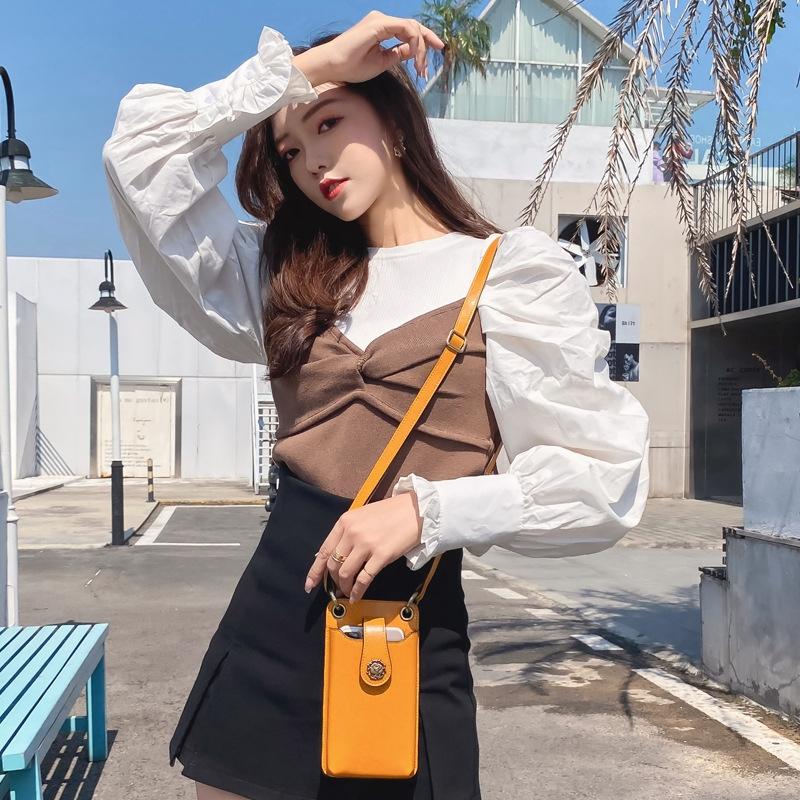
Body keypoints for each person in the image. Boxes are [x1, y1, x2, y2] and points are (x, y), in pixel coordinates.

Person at [101, 10, 651, 800]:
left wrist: (428, 513)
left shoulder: (511, 274)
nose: (313, 162)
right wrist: (312, 68)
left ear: (393, 119)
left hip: (407, 628)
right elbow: (139, 155)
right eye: (291, 151)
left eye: (330, 122)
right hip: (273, 624)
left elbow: (603, 478)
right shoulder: (283, 272)